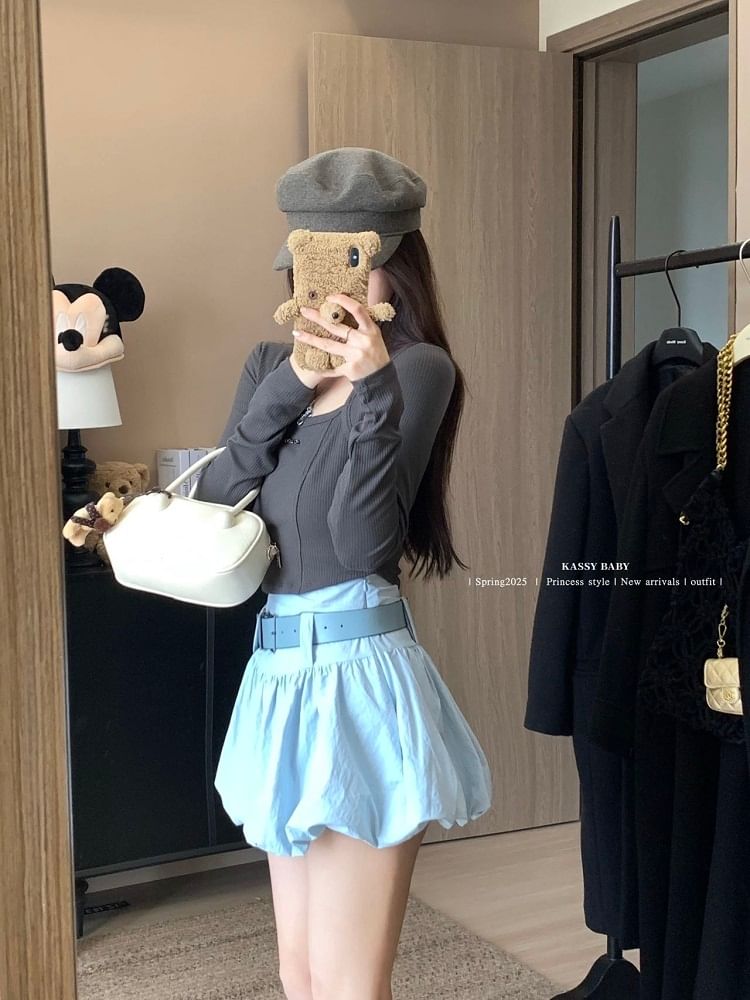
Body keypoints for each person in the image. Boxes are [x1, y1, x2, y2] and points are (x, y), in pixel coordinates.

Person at [193, 147, 492, 1000]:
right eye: (311, 264)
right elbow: (217, 496)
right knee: (300, 975)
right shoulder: (268, 368)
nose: (327, 288)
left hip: (358, 680)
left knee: (349, 983)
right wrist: (294, 379)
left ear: (391, 268)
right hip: (277, 678)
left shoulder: (417, 370)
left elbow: (361, 546)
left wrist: (372, 395)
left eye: (349, 264)